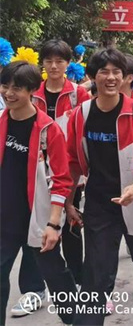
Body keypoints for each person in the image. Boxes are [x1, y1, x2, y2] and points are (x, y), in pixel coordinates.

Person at [66, 48, 133, 325]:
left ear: (125, 78)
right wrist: (67, 201)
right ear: (92, 76)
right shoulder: (80, 115)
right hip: (99, 202)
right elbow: (73, 161)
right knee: (96, 272)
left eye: (116, 72)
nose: (110, 78)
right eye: (104, 72)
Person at [0, 61, 78, 325]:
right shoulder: (0, 123)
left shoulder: (48, 129)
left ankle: (74, 318)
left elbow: (61, 180)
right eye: (4, 86)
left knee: (55, 274)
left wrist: (53, 224)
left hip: (39, 218)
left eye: (16, 88)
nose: (8, 93)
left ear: (33, 90)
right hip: (5, 218)